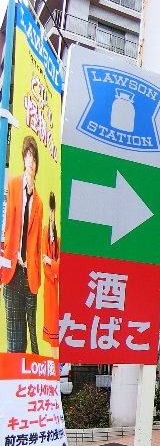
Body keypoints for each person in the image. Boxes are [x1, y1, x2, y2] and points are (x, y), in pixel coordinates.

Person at [1, 136, 43, 354]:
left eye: (34, 158)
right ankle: (13, 380)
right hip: (11, 267)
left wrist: (37, 272)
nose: (31, 162)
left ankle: (31, 377)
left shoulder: (39, 201)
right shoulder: (13, 185)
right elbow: (6, 224)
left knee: (32, 331)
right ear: (23, 159)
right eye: (28, 156)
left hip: (29, 272)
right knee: (13, 330)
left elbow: (37, 245)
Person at [42, 192, 59, 349]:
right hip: (50, 285)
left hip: (57, 286)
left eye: (54, 211)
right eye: (50, 211)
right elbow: (43, 261)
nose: (52, 215)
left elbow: (61, 264)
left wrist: (53, 264)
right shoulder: (44, 234)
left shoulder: (59, 240)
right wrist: (54, 271)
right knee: (50, 318)